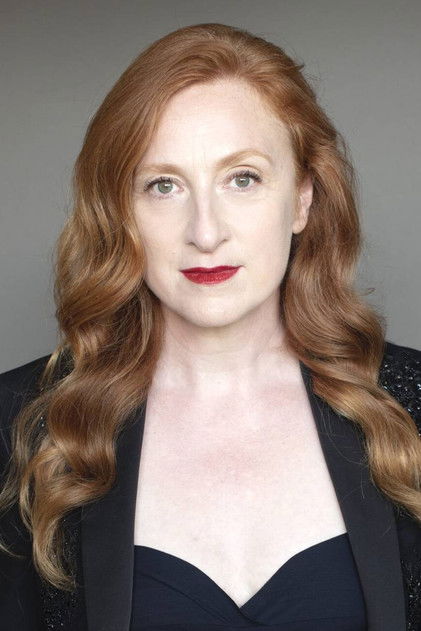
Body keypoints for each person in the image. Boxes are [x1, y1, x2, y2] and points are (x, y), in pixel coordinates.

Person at [0, 22, 420, 631]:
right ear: (121, 210)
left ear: (303, 197)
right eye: (163, 186)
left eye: (242, 178)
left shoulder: (411, 405)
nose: (205, 232)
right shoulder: (19, 428)